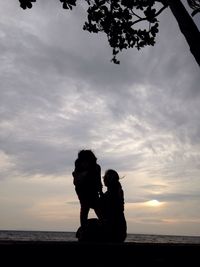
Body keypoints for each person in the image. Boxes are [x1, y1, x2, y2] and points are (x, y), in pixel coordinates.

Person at [72, 150, 103, 227]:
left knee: (98, 209)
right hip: (82, 192)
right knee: (84, 208)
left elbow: (99, 181)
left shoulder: (97, 167)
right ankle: (83, 228)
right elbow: (76, 182)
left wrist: (101, 192)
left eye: (85, 161)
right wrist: (82, 175)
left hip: (93, 192)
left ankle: (104, 227)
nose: (84, 163)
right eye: (82, 161)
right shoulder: (78, 165)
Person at [100, 169, 127, 242]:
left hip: (114, 229)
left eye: (104, 178)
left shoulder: (112, 193)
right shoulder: (118, 191)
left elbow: (104, 207)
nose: (103, 180)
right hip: (120, 229)